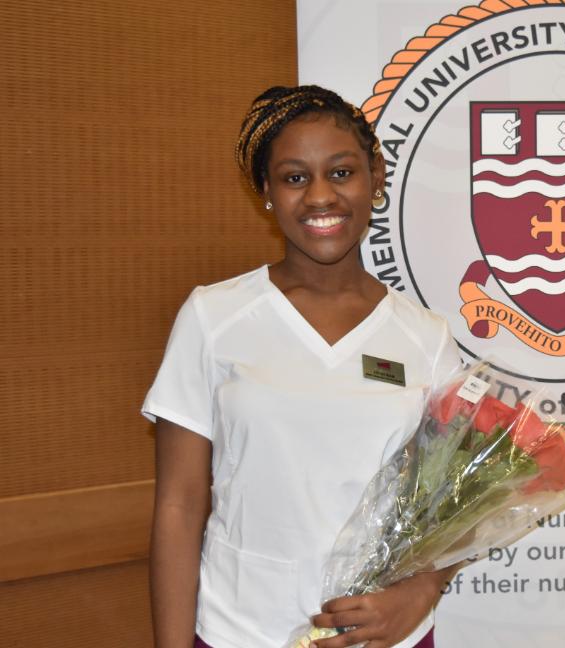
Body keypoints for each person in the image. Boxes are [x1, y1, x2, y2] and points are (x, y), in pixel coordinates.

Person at [142, 85, 463, 648]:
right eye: (295, 177)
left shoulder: (426, 339)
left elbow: (457, 507)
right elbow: (179, 502)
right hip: (237, 631)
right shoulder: (213, 317)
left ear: (376, 177)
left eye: (341, 173)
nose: (320, 197)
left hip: (381, 637)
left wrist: (419, 593)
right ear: (265, 191)